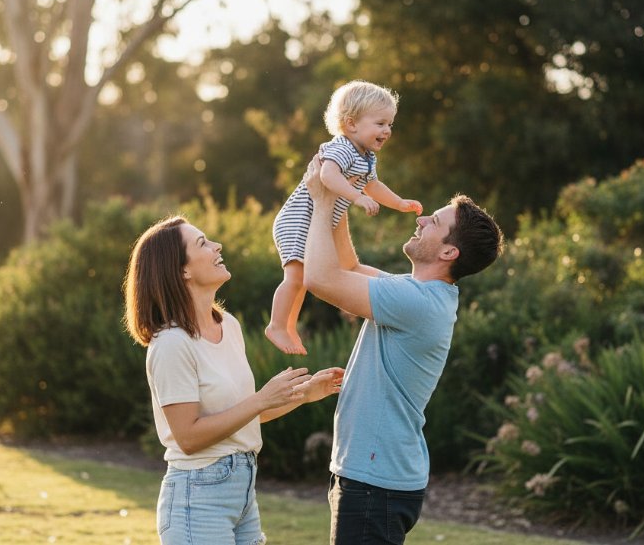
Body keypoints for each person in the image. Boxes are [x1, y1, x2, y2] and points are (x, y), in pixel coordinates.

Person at [301, 156, 504, 545]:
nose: (422, 219)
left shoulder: (418, 302)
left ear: (449, 253)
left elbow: (320, 277)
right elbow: (347, 264)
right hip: (374, 476)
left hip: (375, 481)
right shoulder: (418, 294)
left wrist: (323, 201)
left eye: (435, 222)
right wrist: (342, 198)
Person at [123, 216, 345, 545]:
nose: (217, 246)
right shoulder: (171, 343)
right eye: (202, 243)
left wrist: (303, 394)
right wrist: (261, 398)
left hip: (242, 491)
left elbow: (241, 417)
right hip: (196, 499)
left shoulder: (228, 325)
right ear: (182, 270)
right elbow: (188, 437)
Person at [267, 80, 422, 355]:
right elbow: (327, 175)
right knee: (294, 277)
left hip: (317, 220)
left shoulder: (367, 157)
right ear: (351, 124)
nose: (387, 130)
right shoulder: (342, 147)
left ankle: (288, 326)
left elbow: (373, 185)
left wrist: (398, 203)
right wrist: (358, 197)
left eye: (389, 124)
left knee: (303, 278)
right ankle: (276, 325)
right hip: (298, 219)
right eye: (380, 123)